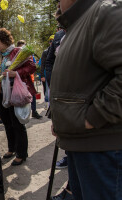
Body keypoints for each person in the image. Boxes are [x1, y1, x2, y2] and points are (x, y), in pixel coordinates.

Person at [50, 0, 122, 199]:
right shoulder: (77, 23)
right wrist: (59, 118)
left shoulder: (104, 13)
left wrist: (93, 118)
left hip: (102, 150)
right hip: (81, 145)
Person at [0, 28, 36, 165]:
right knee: (7, 123)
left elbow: (32, 67)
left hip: (15, 93)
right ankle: (12, 148)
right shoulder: (0, 55)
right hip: (2, 95)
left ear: (4, 39)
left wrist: (15, 73)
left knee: (17, 125)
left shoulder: (18, 52)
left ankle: (21, 154)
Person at [17, 40, 42, 119]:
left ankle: (34, 111)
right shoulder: (16, 56)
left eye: (24, 46)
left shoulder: (30, 55)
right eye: (21, 47)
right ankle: (22, 114)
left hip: (29, 78)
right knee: (22, 97)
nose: (23, 48)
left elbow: (33, 66)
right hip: (20, 80)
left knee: (33, 95)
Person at [40, 35, 54, 110]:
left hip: (55, 74)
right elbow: (42, 64)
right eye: (50, 41)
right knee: (46, 90)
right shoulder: (45, 52)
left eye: (53, 41)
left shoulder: (57, 50)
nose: (51, 42)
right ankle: (47, 104)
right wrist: (42, 75)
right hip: (47, 74)